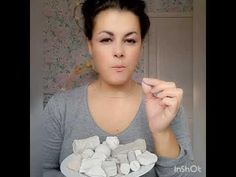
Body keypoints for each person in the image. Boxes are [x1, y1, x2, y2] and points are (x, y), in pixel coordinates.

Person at [42, 0, 199, 176]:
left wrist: (161, 132)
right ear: (90, 46)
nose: (119, 51)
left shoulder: (168, 106)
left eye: (130, 40)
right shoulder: (59, 107)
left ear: (141, 46)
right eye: (106, 39)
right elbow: (42, 170)